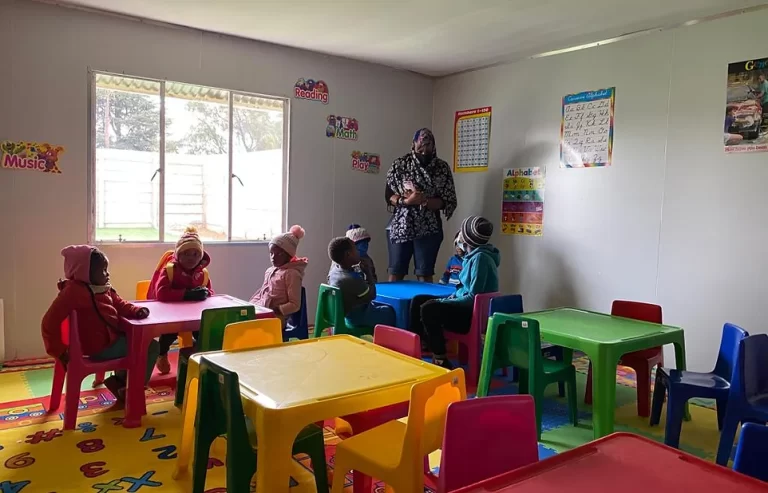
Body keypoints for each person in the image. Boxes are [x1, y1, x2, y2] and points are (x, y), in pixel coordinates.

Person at [41, 246, 160, 402]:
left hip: (108, 341)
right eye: (103, 270)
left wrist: (135, 310)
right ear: (85, 272)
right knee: (151, 346)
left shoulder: (102, 288)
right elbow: (49, 322)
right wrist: (59, 351)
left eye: (106, 269)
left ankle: (120, 382)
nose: (107, 274)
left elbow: (119, 303)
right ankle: (132, 389)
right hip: (99, 348)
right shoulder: (73, 292)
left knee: (133, 339)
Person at [412, 216, 500, 368]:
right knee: (418, 300)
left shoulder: (480, 259)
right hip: (467, 309)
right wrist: (450, 298)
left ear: (466, 238)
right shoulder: (473, 256)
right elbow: (465, 291)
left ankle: (440, 358)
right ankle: (424, 346)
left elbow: (473, 297)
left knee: (428, 309)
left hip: (472, 317)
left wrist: (444, 301)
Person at [385, 128, 457, 283]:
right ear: (413, 145)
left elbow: (448, 200)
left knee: (424, 273)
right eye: (420, 149)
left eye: (428, 149)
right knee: (395, 271)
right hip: (400, 226)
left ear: (434, 147)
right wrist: (407, 201)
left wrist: (425, 201)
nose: (424, 153)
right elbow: (388, 195)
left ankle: (423, 307)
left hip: (429, 229)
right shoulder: (400, 165)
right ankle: (393, 307)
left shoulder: (442, 168)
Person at [148, 226, 213, 374]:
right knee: (169, 334)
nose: (191, 258)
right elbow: (161, 293)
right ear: (178, 255)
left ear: (201, 256)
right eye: (186, 254)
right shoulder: (170, 270)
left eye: (196, 254)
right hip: (172, 316)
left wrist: (205, 293)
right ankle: (162, 355)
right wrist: (187, 294)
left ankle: (198, 358)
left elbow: (211, 293)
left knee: (203, 333)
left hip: (195, 316)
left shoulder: (202, 273)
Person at [327, 236, 396, 328]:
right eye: (355, 249)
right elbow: (372, 295)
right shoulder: (351, 280)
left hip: (346, 314)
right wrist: (368, 272)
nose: (358, 252)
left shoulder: (334, 271)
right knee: (391, 312)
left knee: (380, 306)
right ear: (348, 254)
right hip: (357, 318)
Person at [250, 225, 307, 325]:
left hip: (277, 318)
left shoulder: (292, 274)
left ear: (289, 255)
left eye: (279, 254)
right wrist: (250, 305)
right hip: (262, 310)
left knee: (250, 327)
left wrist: (277, 309)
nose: (273, 257)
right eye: (271, 253)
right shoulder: (270, 271)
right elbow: (262, 293)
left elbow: (295, 304)